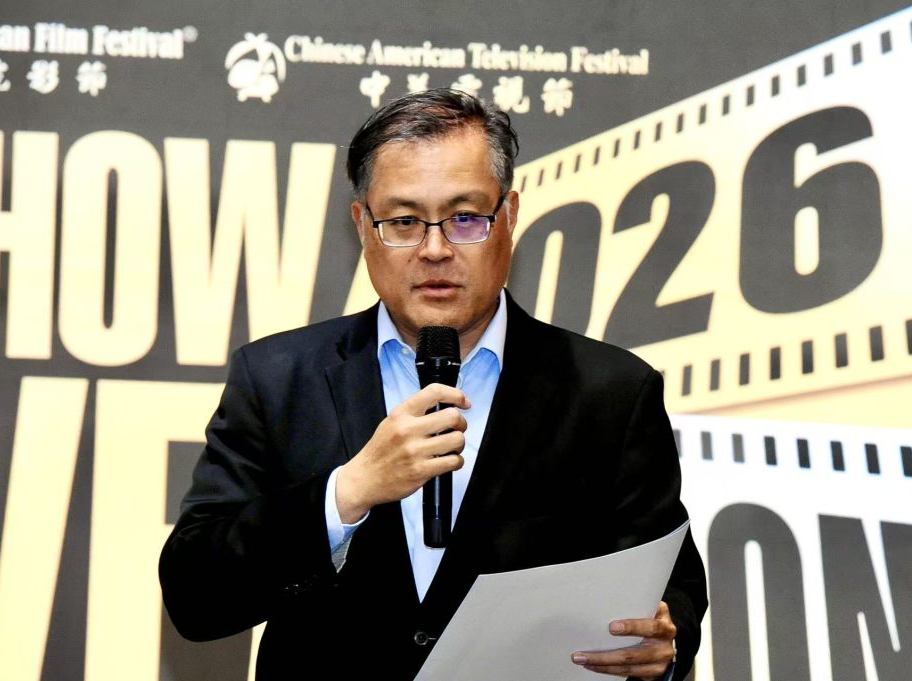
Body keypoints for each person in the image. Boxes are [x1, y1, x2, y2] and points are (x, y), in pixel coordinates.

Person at [159, 88, 707, 680]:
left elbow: (670, 579)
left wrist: (665, 643)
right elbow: (195, 594)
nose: (436, 249)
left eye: (465, 218)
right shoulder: (277, 378)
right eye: (403, 222)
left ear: (509, 217)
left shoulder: (611, 391)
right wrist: (348, 492)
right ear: (362, 226)